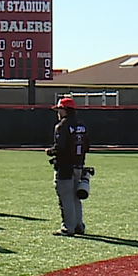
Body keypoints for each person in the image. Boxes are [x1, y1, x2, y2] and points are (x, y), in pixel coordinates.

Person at [46, 97, 90, 236]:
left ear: (65, 110)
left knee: (65, 198)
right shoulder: (82, 125)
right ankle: (78, 225)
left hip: (65, 167)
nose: (58, 112)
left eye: (59, 109)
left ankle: (68, 227)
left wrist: (50, 151)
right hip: (79, 165)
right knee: (75, 197)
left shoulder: (62, 126)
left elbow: (60, 147)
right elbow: (87, 146)